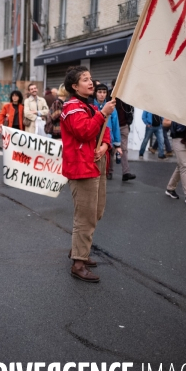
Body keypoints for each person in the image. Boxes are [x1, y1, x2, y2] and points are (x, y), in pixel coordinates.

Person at [60, 66, 114, 283]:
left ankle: (77, 250)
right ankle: (78, 263)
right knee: (85, 217)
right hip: (81, 168)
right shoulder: (71, 107)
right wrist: (103, 113)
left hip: (96, 164)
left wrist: (105, 146)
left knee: (96, 212)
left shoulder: (89, 106)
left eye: (90, 78)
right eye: (85, 79)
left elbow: (104, 131)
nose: (91, 83)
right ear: (75, 86)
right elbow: (85, 132)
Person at [94, 84, 122, 180]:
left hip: (108, 139)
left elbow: (115, 126)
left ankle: (108, 172)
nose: (102, 95)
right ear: (96, 93)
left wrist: (117, 144)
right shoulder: (92, 107)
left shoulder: (112, 108)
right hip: (95, 138)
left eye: (104, 92)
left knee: (108, 162)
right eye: (99, 92)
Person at [165, 120, 186, 205]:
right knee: (185, 166)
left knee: (181, 166)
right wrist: (179, 122)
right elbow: (165, 122)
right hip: (179, 138)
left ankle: (170, 188)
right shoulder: (175, 108)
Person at [110, 79, 136, 181]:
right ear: (113, 86)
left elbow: (130, 110)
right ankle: (109, 172)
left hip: (123, 126)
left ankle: (126, 172)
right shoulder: (109, 97)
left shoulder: (126, 97)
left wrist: (128, 123)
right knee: (111, 149)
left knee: (124, 149)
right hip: (112, 127)